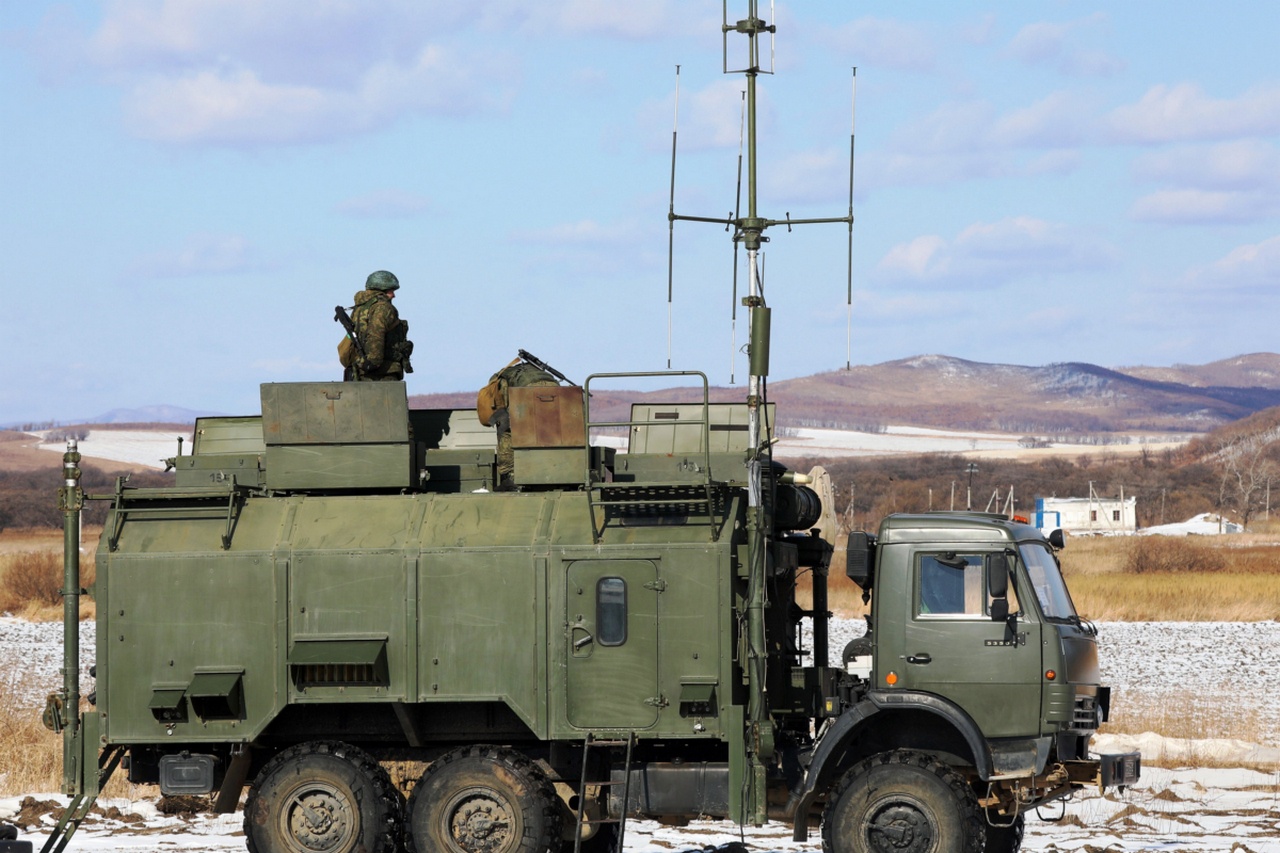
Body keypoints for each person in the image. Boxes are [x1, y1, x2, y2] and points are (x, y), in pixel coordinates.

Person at [478, 358, 558, 490]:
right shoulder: (534, 372)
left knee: (506, 431)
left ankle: (510, 478)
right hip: (556, 390)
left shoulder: (499, 382)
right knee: (552, 431)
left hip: (527, 391)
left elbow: (503, 418)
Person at [346, 270, 413, 381]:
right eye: (391, 291)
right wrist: (373, 362)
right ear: (381, 290)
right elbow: (376, 334)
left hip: (362, 370)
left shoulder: (360, 308)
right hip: (383, 372)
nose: (393, 295)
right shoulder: (383, 308)